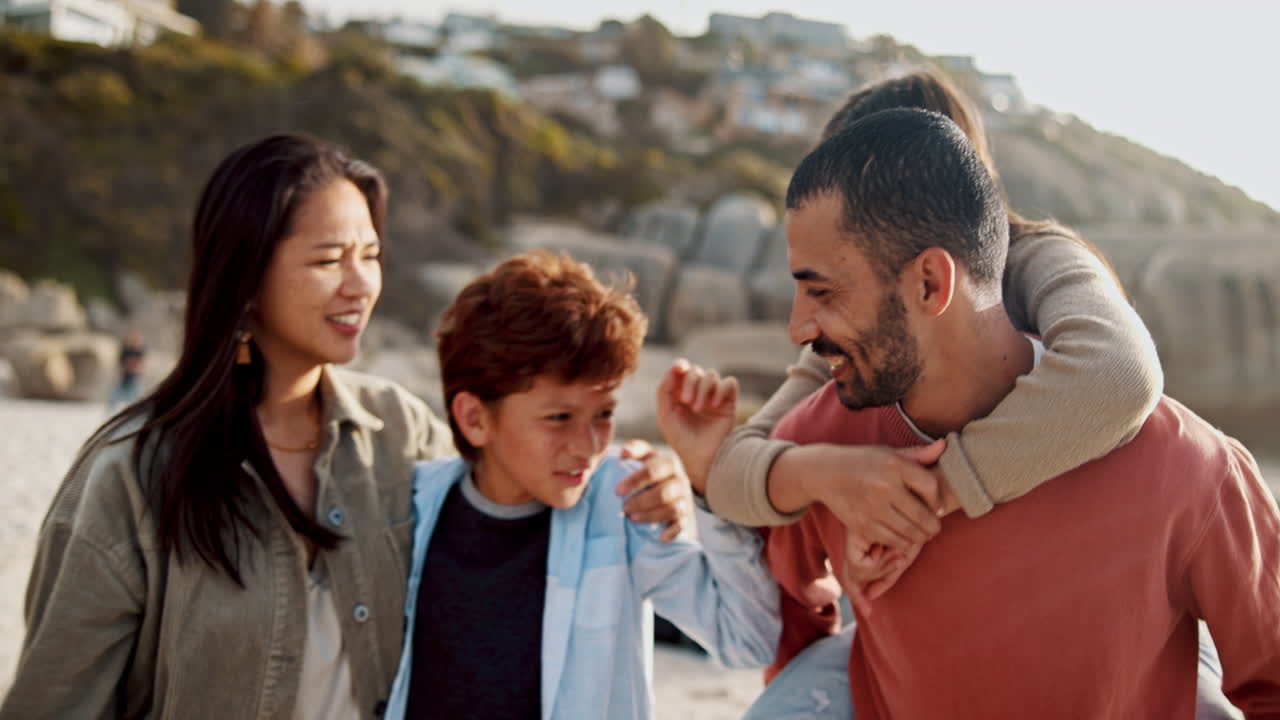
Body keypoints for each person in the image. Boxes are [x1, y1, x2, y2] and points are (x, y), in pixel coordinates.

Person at [762, 108, 1280, 717]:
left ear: (930, 283)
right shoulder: (821, 451)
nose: (799, 326)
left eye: (822, 291)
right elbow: (793, 629)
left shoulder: (1186, 469)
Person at [382, 250, 779, 720]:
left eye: (604, 414)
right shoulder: (408, 505)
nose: (588, 444)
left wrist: (708, 477)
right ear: (474, 418)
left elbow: (749, 640)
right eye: (559, 418)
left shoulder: (625, 500)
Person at [106, 330, 146, 411]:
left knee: (135, 396)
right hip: (124, 376)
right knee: (116, 394)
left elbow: (141, 364)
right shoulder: (125, 351)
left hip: (134, 377)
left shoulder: (139, 352)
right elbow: (119, 363)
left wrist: (136, 369)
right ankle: (110, 410)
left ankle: (136, 411)